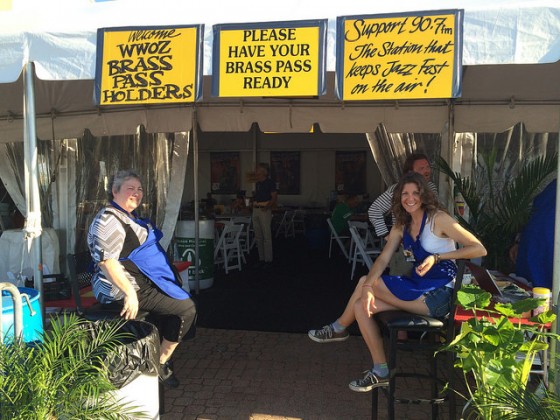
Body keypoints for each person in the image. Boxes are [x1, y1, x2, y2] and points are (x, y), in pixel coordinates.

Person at [309, 173, 486, 392]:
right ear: (398, 197)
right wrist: (367, 289)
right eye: (405, 193)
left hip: (439, 295)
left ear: (423, 195)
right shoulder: (402, 224)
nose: (410, 198)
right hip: (416, 288)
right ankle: (380, 371)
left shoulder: (438, 218)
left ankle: (339, 328)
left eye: (415, 193)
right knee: (361, 307)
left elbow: (479, 248)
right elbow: (383, 258)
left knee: (367, 283)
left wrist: (438, 257)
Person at [87, 170, 197, 389]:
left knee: (175, 302)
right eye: (130, 188)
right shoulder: (107, 220)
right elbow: (107, 262)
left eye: (139, 189)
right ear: (114, 191)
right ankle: (160, 365)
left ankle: (155, 357)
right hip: (120, 288)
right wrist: (130, 294)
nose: (136, 193)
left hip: (141, 283)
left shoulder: (128, 215)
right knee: (186, 309)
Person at [368, 153, 436, 238]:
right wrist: (386, 235)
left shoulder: (431, 187)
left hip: (430, 239)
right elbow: (374, 210)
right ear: (410, 172)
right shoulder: (398, 189)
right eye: (421, 168)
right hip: (407, 241)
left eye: (427, 167)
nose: (426, 171)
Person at [252, 163, 278, 267]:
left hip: (264, 210)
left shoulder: (270, 182)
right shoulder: (258, 183)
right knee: (258, 235)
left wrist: (267, 207)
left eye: (257, 170)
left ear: (263, 172)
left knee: (266, 235)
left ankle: (268, 259)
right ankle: (261, 258)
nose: (256, 171)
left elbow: (274, 197)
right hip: (256, 209)